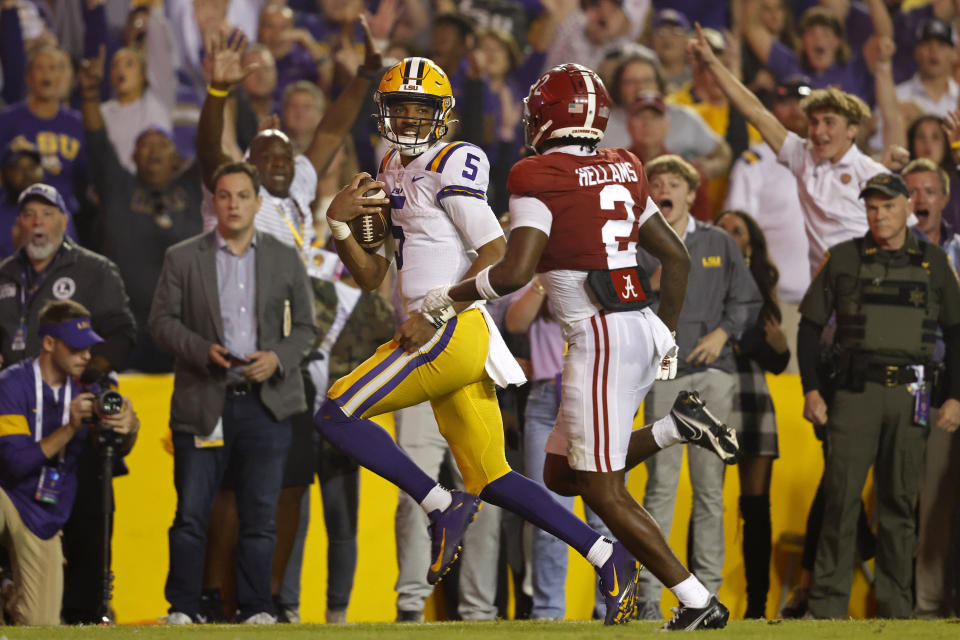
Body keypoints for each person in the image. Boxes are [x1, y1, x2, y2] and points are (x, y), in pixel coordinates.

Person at [317, 57, 659, 627]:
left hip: (449, 328)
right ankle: (608, 556)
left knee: (335, 414)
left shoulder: (456, 159)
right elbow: (374, 276)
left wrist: (436, 310)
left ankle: (437, 502)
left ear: (441, 115)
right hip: (442, 328)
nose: (406, 117)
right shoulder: (391, 166)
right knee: (491, 476)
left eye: (418, 108)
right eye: (398, 107)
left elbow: (496, 253)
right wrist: (339, 225)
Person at [420, 63, 739, 631]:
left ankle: (697, 601)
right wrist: (665, 333)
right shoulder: (625, 164)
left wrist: (451, 296)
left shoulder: (536, 173)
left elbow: (515, 272)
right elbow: (678, 258)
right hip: (638, 324)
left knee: (602, 490)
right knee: (562, 474)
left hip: (598, 337)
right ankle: (675, 429)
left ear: (547, 115)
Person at [148, 161, 315, 625]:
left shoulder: (285, 256)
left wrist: (277, 358)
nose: (233, 204)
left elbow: (306, 329)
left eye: (243, 196)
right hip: (205, 400)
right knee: (191, 514)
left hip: (267, 403)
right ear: (213, 202)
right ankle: (181, 608)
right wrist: (201, 349)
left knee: (261, 517)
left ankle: (256, 608)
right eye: (224, 195)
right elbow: (160, 323)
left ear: (258, 204)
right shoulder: (182, 257)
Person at [798, 172, 960, 619]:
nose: (879, 214)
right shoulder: (844, 258)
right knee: (841, 497)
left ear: (908, 207)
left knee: (900, 504)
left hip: (914, 396)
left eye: (888, 205)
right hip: (854, 394)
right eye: (872, 206)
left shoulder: (933, 262)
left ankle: (895, 608)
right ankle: (826, 609)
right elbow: (809, 328)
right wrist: (811, 389)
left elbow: (958, 331)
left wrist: (956, 397)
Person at [627, 155, 761, 620]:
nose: (663, 188)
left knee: (709, 488)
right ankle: (646, 598)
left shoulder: (718, 242)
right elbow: (624, 304)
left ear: (689, 192)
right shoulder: (637, 245)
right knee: (660, 487)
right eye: (656, 182)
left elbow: (747, 298)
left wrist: (724, 332)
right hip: (663, 372)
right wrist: (653, 284)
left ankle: (707, 594)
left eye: (672, 183)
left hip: (711, 372)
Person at [687, 22, 890, 273]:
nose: (818, 130)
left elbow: (898, 238)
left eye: (829, 122)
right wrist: (713, 63)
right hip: (811, 300)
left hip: (864, 296)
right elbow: (756, 112)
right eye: (814, 121)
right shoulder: (801, 155)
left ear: (852, 130)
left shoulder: (875, 174)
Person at [0, 299, 139, 625]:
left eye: (88, 347)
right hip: (10, 495)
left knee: (40, 624)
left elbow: (119, 450)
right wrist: (70, 427)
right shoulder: (11, 385)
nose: (86, 356)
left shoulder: (94, 385)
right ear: (49, 344)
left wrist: (129, 426)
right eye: (76, 348)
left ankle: (8, 598)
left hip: (45, 510)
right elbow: (15, 464)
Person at [197, 18, 381, 261]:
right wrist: (218, 90)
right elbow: (209, 147)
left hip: (291, 294)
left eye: (286, 156)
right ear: (250, 161)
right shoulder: (235, 189)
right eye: (268, 157)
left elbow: (331, 133)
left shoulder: (298, 183)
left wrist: (364, 76)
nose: (280, 163)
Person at [78, 48, 202, 373]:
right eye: (143, 144)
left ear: (179, 159)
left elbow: (214, 143)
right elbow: (96, 139)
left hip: (184, 323)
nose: (153, 149)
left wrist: (223, 90)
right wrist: (90, 92)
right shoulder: (118, 186)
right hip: (124, 325)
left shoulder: (192, 186)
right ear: (132, 159)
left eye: (162, 143)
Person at [715, 209, 791, 618]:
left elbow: (776, 358)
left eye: (737, 230)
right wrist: (764, 346)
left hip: (753, 395)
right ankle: (700, 597)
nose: (727, 234)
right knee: (709, 500)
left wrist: (772, 347)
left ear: (750, 244)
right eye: (722, 228)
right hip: (715, 391)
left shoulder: (763, 285)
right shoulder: (702, 275)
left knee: (756, 505)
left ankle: (758, 607)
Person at [902, 158, 960, 618]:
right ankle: (928, 606)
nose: (920, 199)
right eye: (912, 191)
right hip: (929, 385)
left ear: (944, 198)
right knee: (929, 502)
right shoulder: (898, 255)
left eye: (928, 190)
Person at [0, 140, 44, 259]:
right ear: (4, 174)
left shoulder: (58, 211)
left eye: (32, 167)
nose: (27, 174)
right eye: (17, 168)